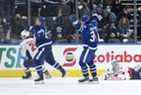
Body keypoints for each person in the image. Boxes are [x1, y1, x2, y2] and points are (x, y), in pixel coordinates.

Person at [30, 17, 66, 82]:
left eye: (37, 20)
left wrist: (33, 31)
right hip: (47, 46)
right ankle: (62, 70)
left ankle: (41, 77)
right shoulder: (40, 27)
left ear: (40, 22)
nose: (36, 21)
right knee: (51, 61)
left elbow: (39, 37)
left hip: (44, 47)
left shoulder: (40, 29)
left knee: (36, 60)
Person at [69, 15, 99, 82]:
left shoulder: (86, 26)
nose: (81, 22)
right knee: (90, 62)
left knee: (82, 62)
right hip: (93, 47)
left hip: (89, 47)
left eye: (82, 21)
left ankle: (86, 77)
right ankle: (95, 77)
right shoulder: (92, 26)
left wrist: (75, 22)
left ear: (84, 21)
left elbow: (79, 28)